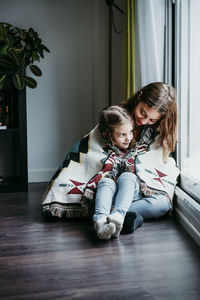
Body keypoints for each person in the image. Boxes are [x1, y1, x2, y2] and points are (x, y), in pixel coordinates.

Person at [42, 82, 179, 240]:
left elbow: (156, 161)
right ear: (139, 97)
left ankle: (112, 215)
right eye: (142, 112)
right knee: (102, 188)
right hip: (106, 188)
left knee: (162, 204)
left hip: (134, 191)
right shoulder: (116, 117)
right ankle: (122, 216)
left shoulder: (158, 132)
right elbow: (92, 151)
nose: (144, 120)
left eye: (152, 119)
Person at [92, 105, 143, 240]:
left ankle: (118, 216)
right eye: (122, 135)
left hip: (131, 194)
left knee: (128, 176)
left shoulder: (136, 150)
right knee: (105, 181)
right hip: (108, 195)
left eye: (130, 132)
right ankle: (101, 222)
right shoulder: (101, 151)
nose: (128, 138)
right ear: (107, 135)